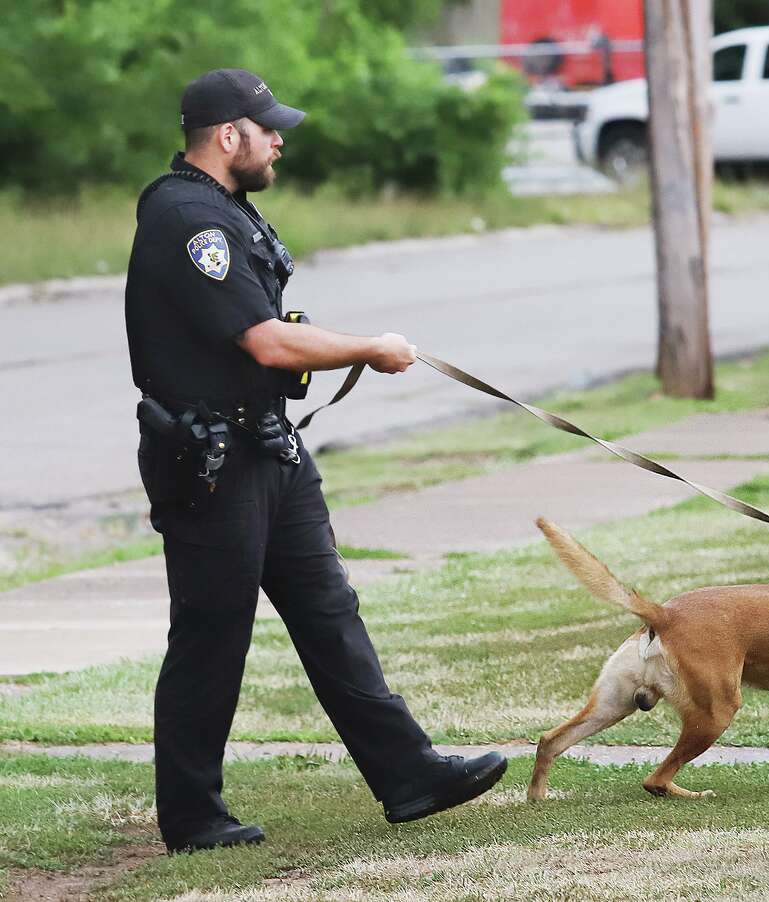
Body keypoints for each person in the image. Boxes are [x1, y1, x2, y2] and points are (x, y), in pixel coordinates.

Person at [124, 68, 506, 854]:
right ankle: (193, 818)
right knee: (211, 637)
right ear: (227, 136)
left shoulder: (228, 209)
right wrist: (371, 345)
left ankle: (410, 776)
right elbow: (264, 339)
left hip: (267, 446)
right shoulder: (185, 218)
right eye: (267, 128)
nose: (279, 140)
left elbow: (271, 330)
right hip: (212, 465)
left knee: (331, 615)